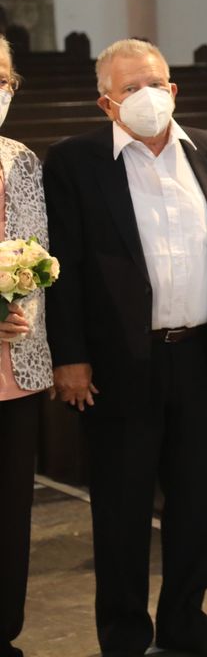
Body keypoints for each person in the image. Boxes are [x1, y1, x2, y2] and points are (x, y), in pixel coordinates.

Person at [44, 38, 207, 657]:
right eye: (130, 88)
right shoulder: (76, 161)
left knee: (196, 501)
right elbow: (65, 266)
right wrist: (69, 355)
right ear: (106, 102)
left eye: (155, 84)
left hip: (197, 355)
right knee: (122, 507)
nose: (147, 96)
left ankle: (186, 620)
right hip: (119, 362)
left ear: (174, 90)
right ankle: (124, 633)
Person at [0, 37, 53, 657]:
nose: (1, 91)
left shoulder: (22, 159)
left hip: (18, 365)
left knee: (11, 512)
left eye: (5, 80)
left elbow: (39, 255)